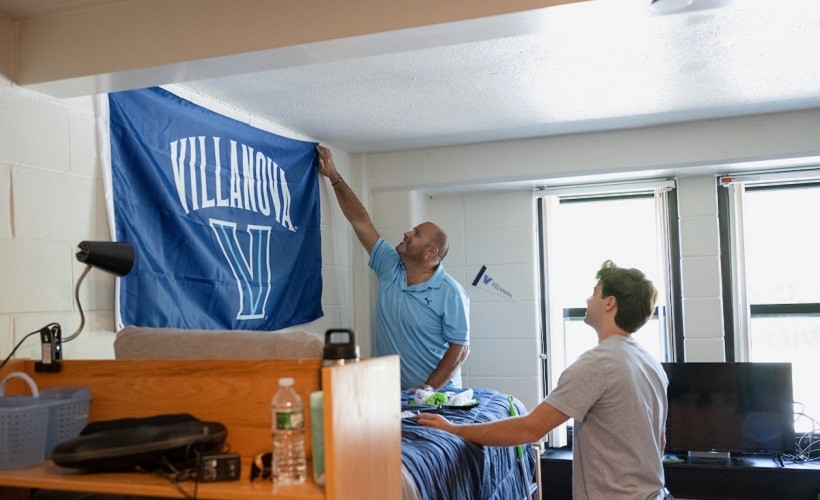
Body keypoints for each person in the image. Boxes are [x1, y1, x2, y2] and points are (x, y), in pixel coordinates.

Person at [418, 260, 671, 500]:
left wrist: (453, 429)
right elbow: (659, 443)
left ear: (609, 303)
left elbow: (531, 428)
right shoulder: (650, 363)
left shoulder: (598, 364)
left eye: (594, 293)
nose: (588, 299)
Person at [316, 144, 470, 391]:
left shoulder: (450, 292)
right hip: (390, 393)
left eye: (417, 234)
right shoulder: (390, 265)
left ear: (432, 252)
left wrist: (427, 389)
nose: (407, 233)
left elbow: (460, 349)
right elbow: (360, 220)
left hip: (436, 397)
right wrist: (334, 176)